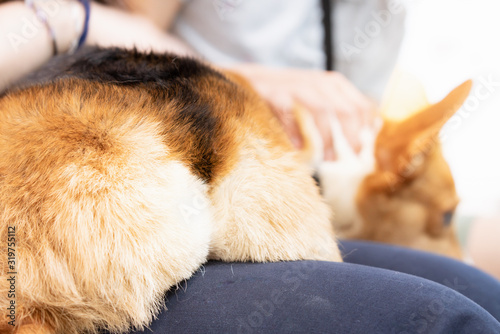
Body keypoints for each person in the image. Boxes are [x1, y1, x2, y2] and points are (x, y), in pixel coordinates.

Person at [0, 1, 499, 333]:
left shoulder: (385, 18)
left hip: (226, 178)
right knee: (447, 321)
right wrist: (243, 80)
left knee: (479, 294)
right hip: (142, 135)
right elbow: (104, 20)